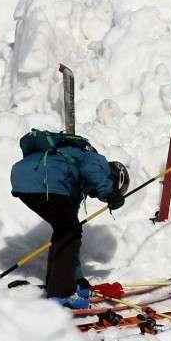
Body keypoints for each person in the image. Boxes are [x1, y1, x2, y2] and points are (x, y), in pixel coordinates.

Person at [9, 129, 127, 308]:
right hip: (45, 181)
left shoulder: (73, 183)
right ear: (114, 177)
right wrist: (110, 193)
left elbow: (69, 238)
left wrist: (78, 279)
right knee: (69, 233)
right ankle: (61, 294)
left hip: (26, 180)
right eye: (115, 188)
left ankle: (59, 285)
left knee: (66, 232)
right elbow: (91, 169)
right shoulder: (97, 160)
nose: (99, 196)